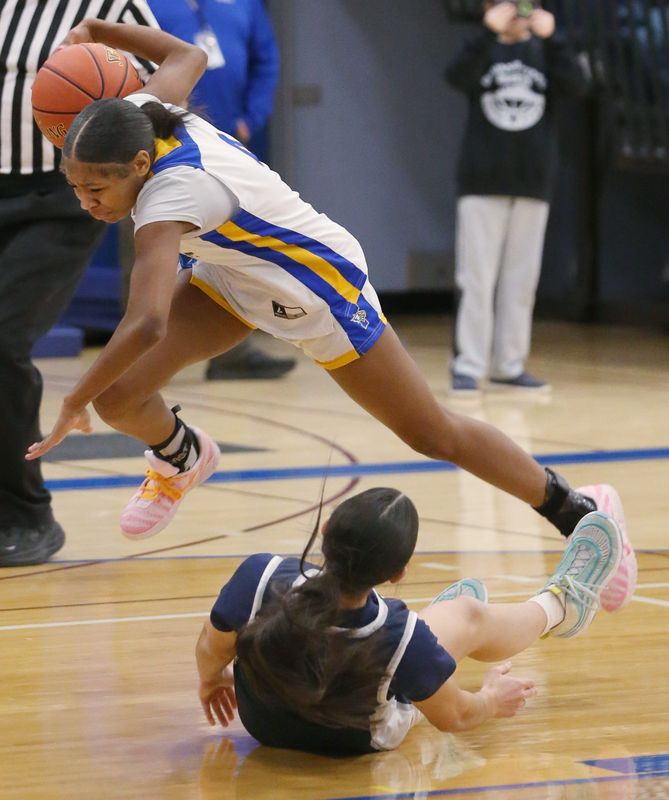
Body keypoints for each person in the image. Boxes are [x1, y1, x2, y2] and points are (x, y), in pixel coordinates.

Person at [24, 19, 635, 614]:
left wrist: (71, 398)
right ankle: (183, 455)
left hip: (318, 285)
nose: (86, 203)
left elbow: (146, 323)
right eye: (74, 188)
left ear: (136, 165)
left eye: (95, 191)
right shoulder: (141, 115)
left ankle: (582, 510)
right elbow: (188, 55)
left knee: (431, 434)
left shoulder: (169, 196)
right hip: (237, 273)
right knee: (121, 396)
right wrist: (100, 31)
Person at [194, 487, 627, 754]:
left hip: (262, 723)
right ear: (398, 573)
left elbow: (211, 650)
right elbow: (455, 716)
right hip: (355, 743)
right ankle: (563, 605)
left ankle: (426, 666)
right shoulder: (400, 634)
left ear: (325, 531)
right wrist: (493, 698)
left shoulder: (260, 574)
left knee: (417, 646)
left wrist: (210, 680)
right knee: (467, 616)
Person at [0, 0, 160, 568]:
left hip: (60, 195)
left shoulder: (115, 7)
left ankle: (26, 514)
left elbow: (161, 94)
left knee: (2, 340)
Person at [147, 0, 295, 381]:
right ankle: (142, 347)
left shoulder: (244, 5)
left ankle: (233, 353)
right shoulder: (149, 4)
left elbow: (266, 60)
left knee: (231, 244)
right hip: (164, 146)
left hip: (228, 144)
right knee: (153, 243)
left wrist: (252, 117)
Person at [446, 1, 588, 395]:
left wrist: (555, 38)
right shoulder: (482, 46)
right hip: (481, 181)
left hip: (533, 182)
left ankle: (509, 364)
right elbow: (455, 76)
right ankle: (468, 365)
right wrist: (487, 33)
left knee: (521, 280)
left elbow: (578, 86)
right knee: (475, 278)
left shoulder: (547, 49)